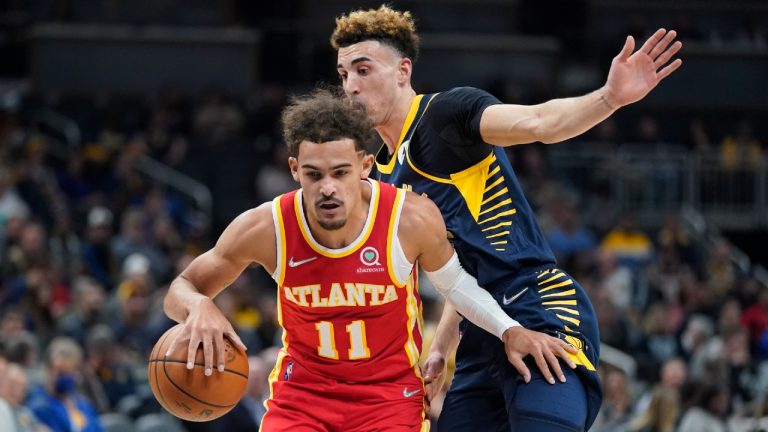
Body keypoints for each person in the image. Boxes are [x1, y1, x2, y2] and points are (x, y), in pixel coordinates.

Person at [330, 5, 682, 431]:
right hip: (483, 335)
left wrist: (608, 96)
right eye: (344, 73)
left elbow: (539, 121)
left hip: (538, 305)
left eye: (363, 70)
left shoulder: (446, 116)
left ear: (403, 70)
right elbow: (456, 267)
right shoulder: (385, 173)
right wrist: (441, 346)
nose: (350, 85)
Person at [163, 89, 576, 431]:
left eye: (340, 173)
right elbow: (180, 288)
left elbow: (457, 286)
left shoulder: (408, 217)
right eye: (313, 175)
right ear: (294, 169)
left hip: (388, 397)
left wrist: (509, 330)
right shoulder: (266, 227)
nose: (327, 188)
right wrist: (199, 304)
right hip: (304, 395)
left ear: (364, 166)